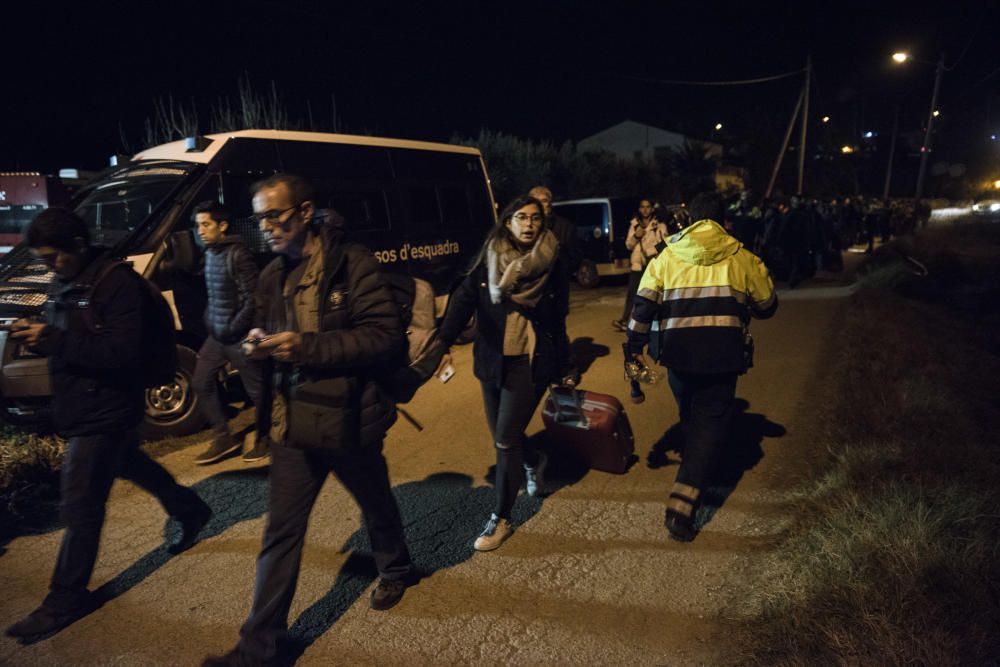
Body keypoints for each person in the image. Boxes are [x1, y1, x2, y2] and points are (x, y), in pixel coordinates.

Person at [204, 174, 413, 666]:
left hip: (347, 420)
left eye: (274, 215)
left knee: (375, 502)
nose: (267, 227)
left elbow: (385, 336)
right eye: (259, 218)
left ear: (304, 212)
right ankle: (259, 649)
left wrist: (308, 346)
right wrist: (256, 343)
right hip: (291, 423)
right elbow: (255, 331)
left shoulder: (351, 263)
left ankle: (396, 567)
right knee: (281, 533)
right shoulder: (272, 274)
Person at [5, 208, 211, 642]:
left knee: (80, 506)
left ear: (77, 246)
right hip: (82, 407)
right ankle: (189, 507)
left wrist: (50, 338)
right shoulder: (69, 279)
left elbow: (120, 354)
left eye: (52, 258)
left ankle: (65, 597)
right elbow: (80, 335)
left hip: (108, 409)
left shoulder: (116, 284)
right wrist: (41, 331)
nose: (48, 267)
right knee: (130, 463)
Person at [624, 192, 777, 542]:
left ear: (689, 219)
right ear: (724, 221)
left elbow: (642, 308)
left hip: (677, 356)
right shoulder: (742, 256)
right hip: (722, 357)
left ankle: (698, 461)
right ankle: (682, 505)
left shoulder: (666, 257)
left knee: (693, 417)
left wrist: (634, 348)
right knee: (708, 424)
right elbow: (768, 305)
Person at [437, 194, 574, 552]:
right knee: (502, 433)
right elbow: (464, 299)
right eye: (522, 218)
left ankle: (501, 518)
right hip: (492, 360)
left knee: (505, 438)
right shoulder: (490, 256)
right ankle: (535, 461)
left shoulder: (552, 260)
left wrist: (566, 364)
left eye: (535, 219)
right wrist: (442, 344)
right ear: (508, 221)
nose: (529, 224)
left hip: (530, 361)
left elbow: (559, 317)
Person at [190, 201, 270, 464]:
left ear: (222, 226)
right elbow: (215, 295)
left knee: (257, 392)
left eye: (206, 224)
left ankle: (266, 438)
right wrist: (210, 320)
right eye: (197, 225)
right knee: (201, 382)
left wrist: (238, 329)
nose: (200, 231)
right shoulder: (210, 254)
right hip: (217, 335)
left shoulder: (239, 254)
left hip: (238, 335)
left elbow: (252, 299)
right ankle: (224, 438)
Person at [613, 199, 666, 331]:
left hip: (652, 265)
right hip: (637, 265)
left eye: (648, 207)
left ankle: (656, 321)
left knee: (654, 295)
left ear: (652, 209)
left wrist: (650, 252)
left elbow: (665, 245)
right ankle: (625, 320)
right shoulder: (634, 225)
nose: (645, 210)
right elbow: (628, 245)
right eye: (643, 207)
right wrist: (636, 236)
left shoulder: (659, 226)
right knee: (633, 294)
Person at [528, 185, 582, 276]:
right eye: (537, 201)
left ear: (550, 203)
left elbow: (576, 257)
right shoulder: (525, 225)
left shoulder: (565, 227)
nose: (542, 205)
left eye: (544, 201)